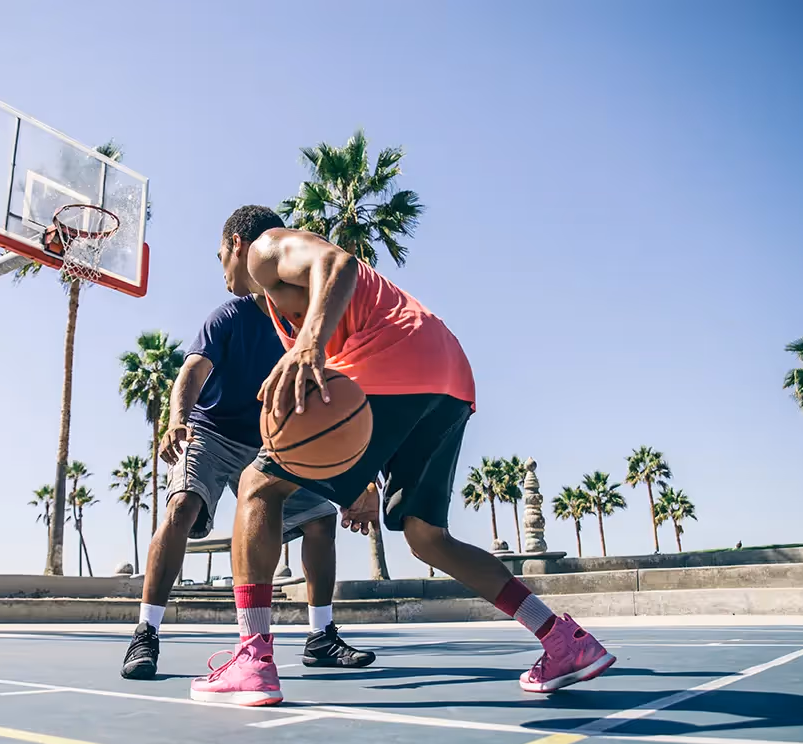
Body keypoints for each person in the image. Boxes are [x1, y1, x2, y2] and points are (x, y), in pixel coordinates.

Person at [189, 205, 616, 706]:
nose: (221, 270)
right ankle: (562, 639)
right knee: (427, 536)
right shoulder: (284, 305)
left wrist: (308, 346)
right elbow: (351, 420)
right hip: (448, 377)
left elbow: (340, 263)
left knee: (258, 485)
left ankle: (252, 659)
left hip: (393, 358)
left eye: (219, 255)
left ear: (236, 244)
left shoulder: (266, 249)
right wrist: (363, 479)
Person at [119, 291, 376, 680]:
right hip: (210, 431)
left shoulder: (306, 324)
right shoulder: (228, 315)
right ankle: (146, 632)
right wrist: (178, 419)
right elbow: (192, 370)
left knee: (320, 520)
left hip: (272, 442)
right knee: (183, 506)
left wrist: (358, 477)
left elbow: (338, 407)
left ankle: (321, 636)